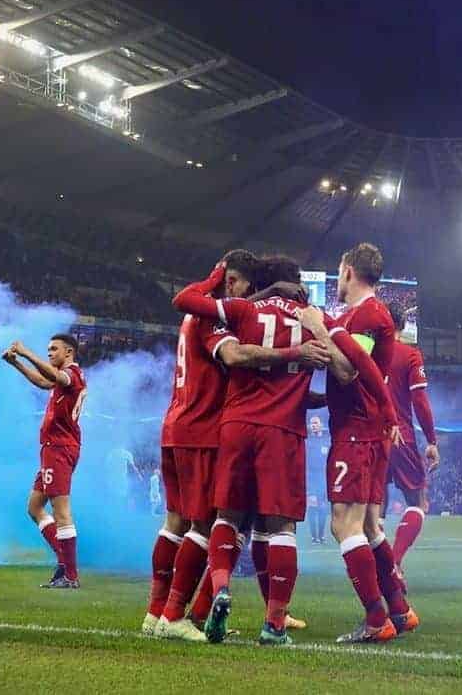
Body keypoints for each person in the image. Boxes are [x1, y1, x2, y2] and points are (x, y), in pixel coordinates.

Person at [172, 256, 376, 646]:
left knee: (226, 518)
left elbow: (186, 303)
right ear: (295, 282)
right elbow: (350, 370)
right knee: (280, 527)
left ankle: (219, 591)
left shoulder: (242, 310)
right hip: (283, 431)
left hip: (236, 425)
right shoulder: (309, 316)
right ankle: (274, 623)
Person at [149, 250, 320, 643]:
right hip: (206, 429)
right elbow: (235, 355)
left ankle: (160, 612)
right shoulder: (218, 315)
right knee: (212, 524)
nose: (252, 295)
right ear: (232, 282)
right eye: (247, 287)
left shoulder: (221, 313)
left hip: (183, 424)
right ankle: (179, 614)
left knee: (188, 522)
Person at [295, 242, 414, 644]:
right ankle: (399, 607)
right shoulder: (365, 315)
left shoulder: (367, 315)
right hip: (368, 428)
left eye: (338, 271)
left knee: (342, 524)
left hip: (357, 430)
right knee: (368, 525)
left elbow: (347, 370)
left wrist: (318, 326)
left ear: (347, 271)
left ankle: (376, 616)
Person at [3, 335, 85, 589]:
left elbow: (56, 377)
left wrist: (26, 352)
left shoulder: (72, 374)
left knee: (61, 512)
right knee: (35, 507)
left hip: (60, 448)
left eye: (54, 349)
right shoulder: (61, 377)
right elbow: (42, 380)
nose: (49, 352)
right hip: (52, 449)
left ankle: (70, 575)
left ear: (69, 351)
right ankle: (63, 561)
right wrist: (16, 364)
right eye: (47, 348)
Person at [384, 302, 440, 574]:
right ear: (404, 326)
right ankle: (393, 562)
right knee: (418, 501)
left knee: (374, 510)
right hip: (401, 437)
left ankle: (377, 568)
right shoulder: (409, 354)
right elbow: (420, 401)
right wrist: (431, 440)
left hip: (370, 438)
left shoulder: (366, 354)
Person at [306, 416, 330, 545]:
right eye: (311, 423)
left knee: (323, 508)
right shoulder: (307, 441)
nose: (313, 425)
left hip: (324, 479)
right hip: (311, 479)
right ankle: (314, 536)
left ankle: (321, 535)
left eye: (315, 423)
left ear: (321, 424)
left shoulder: (327, 441)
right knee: (312, 507)